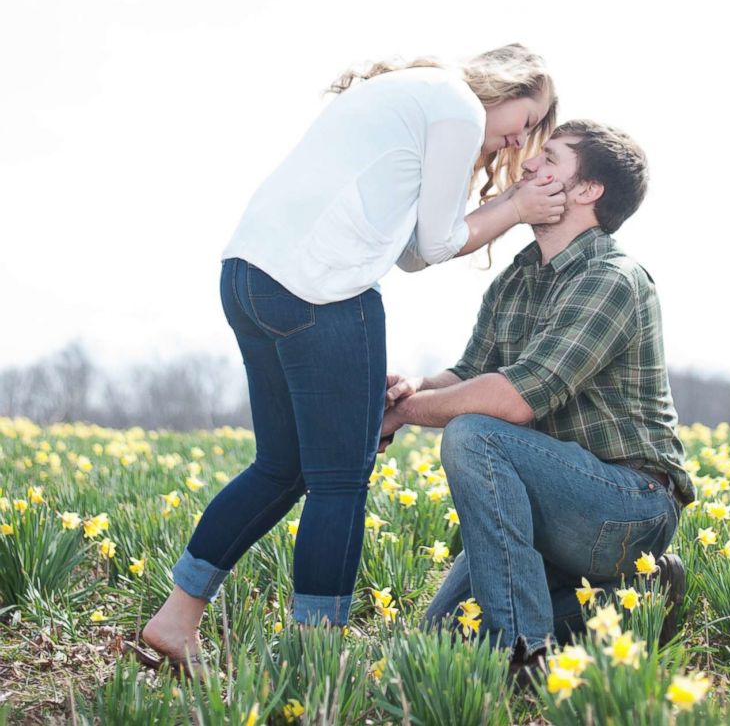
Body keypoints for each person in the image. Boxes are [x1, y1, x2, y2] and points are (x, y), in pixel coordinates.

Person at [139, 44, 563, 671]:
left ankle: (176, 617)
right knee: (340, 481)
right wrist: (518, 209)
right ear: (504, 86)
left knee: (280, 467)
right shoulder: (458, 107)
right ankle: (315, 657)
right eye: (526, 122)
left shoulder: (415, 94)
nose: (515, 141)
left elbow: (418, 251)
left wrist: (496, 207)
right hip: (322, 293)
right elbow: (441, 242)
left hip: (249, 279)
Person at [381, 119, 695, 674]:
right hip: (549, 499)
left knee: (474, 434)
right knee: (444, 637)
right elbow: (470, 375)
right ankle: (641, 595)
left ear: (586, 191)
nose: (528, 165)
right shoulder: (519, 278)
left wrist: (407, 416)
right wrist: (406, 392)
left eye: (549, 157)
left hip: (627, 505)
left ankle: (527, 654)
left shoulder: (611, 279)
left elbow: (512, 400)